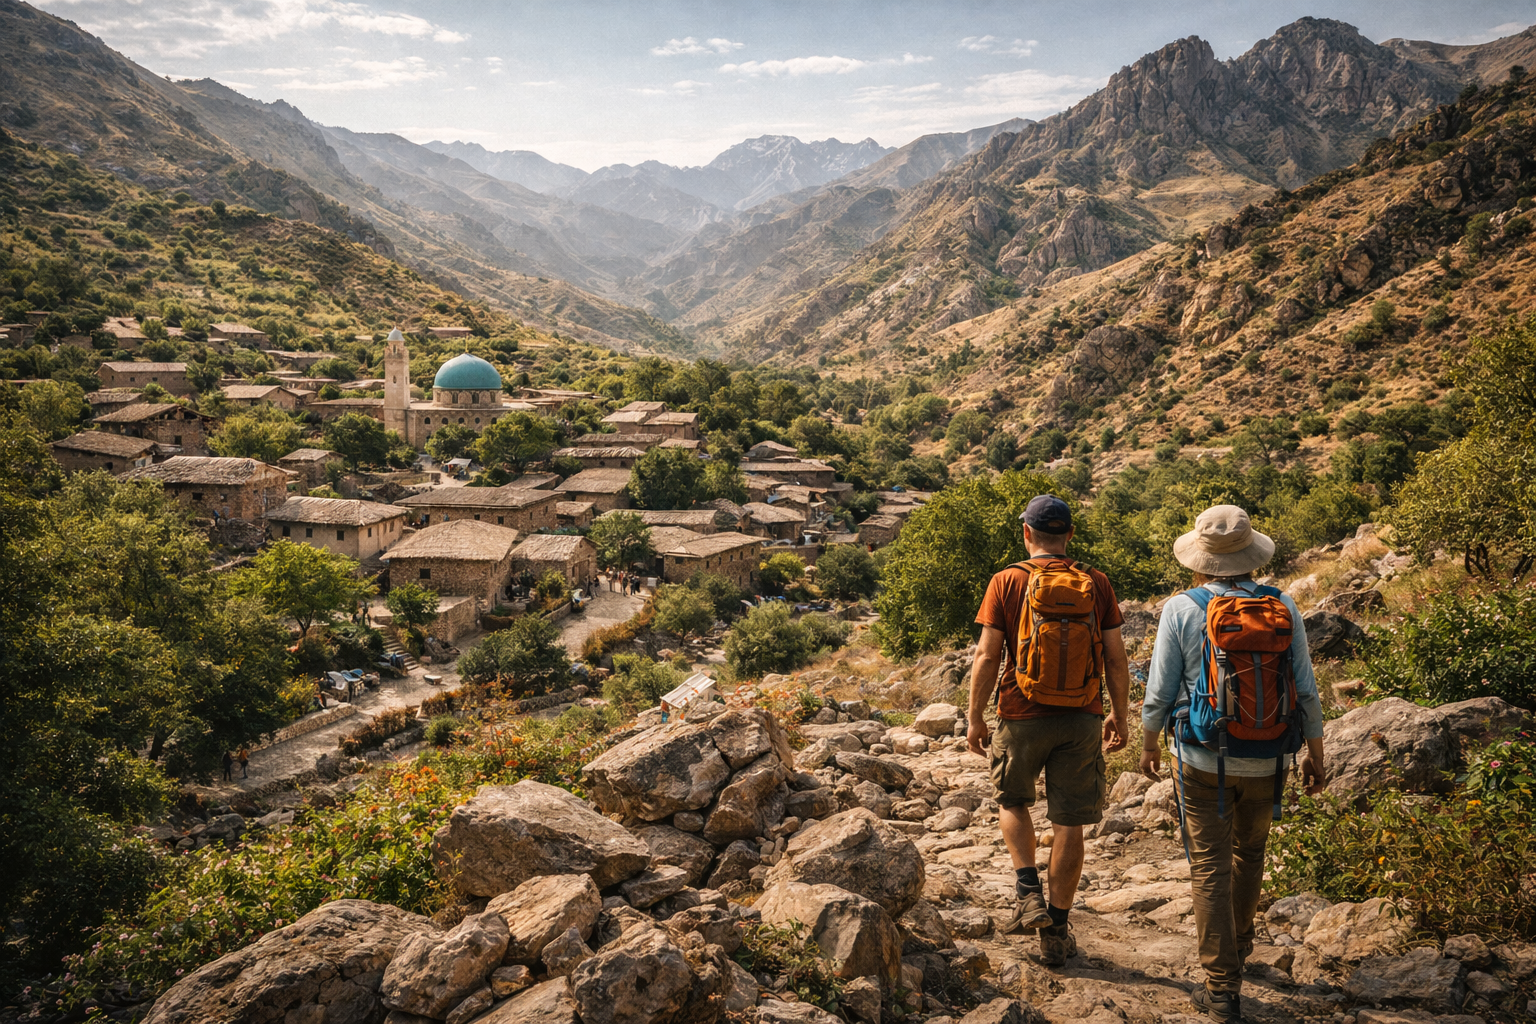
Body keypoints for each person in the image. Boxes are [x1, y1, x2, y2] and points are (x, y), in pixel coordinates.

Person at [1141, 505, 1326, 1023]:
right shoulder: (1282, 604)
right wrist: (1315, 753)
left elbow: (1159, 689)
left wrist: (1150, 743)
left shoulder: (1181, 608)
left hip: (1201, 755)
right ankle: (1241, 946)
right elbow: (1306, 687)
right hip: (1270, 757)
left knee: (1209, 865)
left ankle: (1222, 988)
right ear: (1251, 554)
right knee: (1251, 852)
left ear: (1201, 558)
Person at [966, 495, 1131, 966]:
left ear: (1026, 533)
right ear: (1070, 535)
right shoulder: (1096, 582)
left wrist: (975, 716)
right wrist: (1119, 714)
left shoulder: (1007, 580)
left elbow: (987, 655)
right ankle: (1057, 931)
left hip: (1021, 713)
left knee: (1013, 801)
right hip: (1082, 715)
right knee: (1069, 823)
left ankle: (1027, 892)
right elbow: (1116, 657)